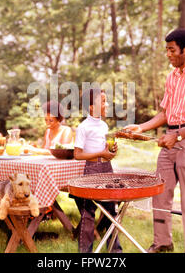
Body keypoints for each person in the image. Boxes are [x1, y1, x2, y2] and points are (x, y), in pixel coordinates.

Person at [125, 28, 185, 253]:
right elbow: (165, 113)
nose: (168, 54)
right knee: (160, 193)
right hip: (169, 139)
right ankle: (163, 243)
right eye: (166, 50)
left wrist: (178, 136)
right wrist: (141, 127)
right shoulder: (172, 76)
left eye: (171, 50)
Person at [73, 88, 122, 253]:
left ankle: (115, 251)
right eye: (103, 101)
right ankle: (85, 253)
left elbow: (106, 153)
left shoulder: (104, 125)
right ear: (92, 107)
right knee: (88, 215)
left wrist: (110, 151)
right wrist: (100, 153)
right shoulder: (83, 127)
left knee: (111, 212)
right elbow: (77, 154)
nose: (107, 104)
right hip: (91, 170)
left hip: (106, 169)